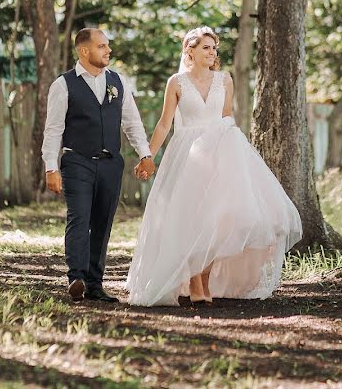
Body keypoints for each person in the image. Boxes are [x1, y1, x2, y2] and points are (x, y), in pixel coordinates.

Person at [126, 26, 303, 306]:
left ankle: (206, 280)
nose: (212, 52)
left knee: (219, 219)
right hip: (189, 154)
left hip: (222, 151)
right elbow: (164, 123)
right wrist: (148, 155)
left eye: (214, 48)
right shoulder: (177, 82)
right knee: (192, 218)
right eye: (206, 47)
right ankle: (195, 282)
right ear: (190, 51)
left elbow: (226, 116)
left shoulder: (225, 80)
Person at [42, 28, 156, 303]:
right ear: (84, 51)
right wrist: (50, 167)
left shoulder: (118, 81)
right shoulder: (63, 84)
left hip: (110, 164)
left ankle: (95, 284)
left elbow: (131, 121)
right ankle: (76, 278)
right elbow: (54, 129)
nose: (108, 50)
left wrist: (145, 154)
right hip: (77, 161)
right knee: (79, 218)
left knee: (102, 224)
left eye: (108, 46)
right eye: (102, 46)